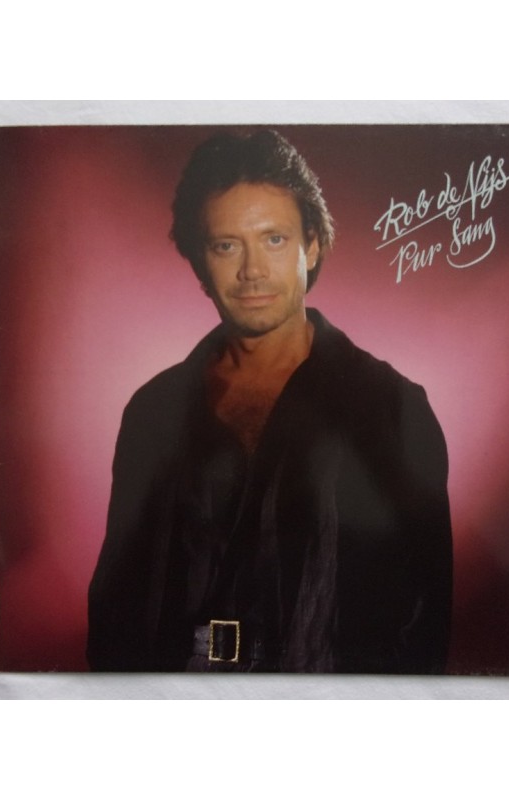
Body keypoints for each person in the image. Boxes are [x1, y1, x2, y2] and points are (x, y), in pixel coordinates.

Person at [87, 129, 452, 673]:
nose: (252, 270)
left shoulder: (392, 408)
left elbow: (425, 624)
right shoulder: (153, 412)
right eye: (226, 245)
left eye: (274, 239)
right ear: (200, 262)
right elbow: (114, 610)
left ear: (312, 245)